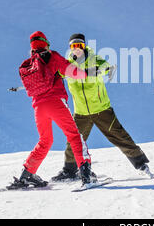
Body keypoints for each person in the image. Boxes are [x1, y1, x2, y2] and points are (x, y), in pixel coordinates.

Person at [52, 33, 154, 182]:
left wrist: (103, 69)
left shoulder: (94, 59)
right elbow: (55, 74)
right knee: (74, 141)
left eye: (79, 45)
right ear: (70, 48)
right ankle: (69, 171)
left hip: (101, 109)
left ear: (84, 46)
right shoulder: (67, 65)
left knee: (119, 136)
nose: (77, 49)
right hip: (81, 112)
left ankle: (141, 165)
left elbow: (106, 66)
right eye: (73, 46)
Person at [10, 31, 96, 189]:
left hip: (38, 107)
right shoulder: (52, 56)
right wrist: (89, 73)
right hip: (55, 102)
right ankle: (86, 176)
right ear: (46, 43)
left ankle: (26, 175)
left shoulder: (29, 64)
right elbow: (73, 72)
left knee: (45, 140)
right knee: (74, 136)